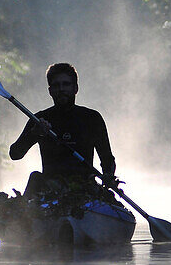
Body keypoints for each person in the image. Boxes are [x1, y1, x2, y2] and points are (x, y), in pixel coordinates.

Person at [9, 62, 117, 197]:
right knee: (35, 177)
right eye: (56, 85)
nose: (61, 89)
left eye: (66, 84)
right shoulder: (39, 120)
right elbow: (15, 154)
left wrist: (108, 176)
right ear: (50, 91)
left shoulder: (92, 118)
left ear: (75, 88)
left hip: (84, 190)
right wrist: (34, 133)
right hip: (49, 191)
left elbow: (107, 158)